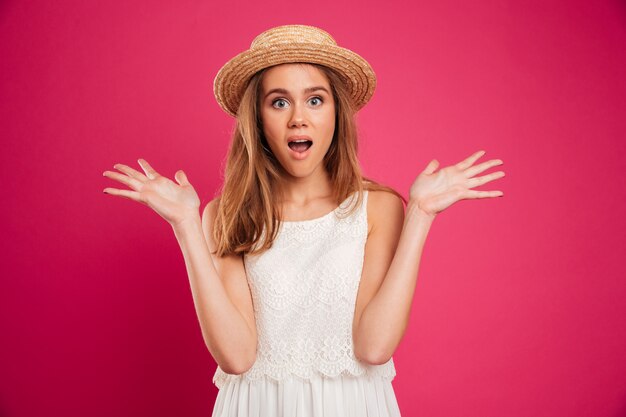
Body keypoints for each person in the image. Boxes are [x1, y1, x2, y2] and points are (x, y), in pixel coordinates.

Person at [102, 24, 505, 417]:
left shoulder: (380, 208)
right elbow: (237, 356)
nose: (298, 118)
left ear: (336, 113)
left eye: (315, 100)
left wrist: (420, 214)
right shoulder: (225, 214)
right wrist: (185, 225)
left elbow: (374, 348)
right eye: (279, 102)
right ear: (258, 120)